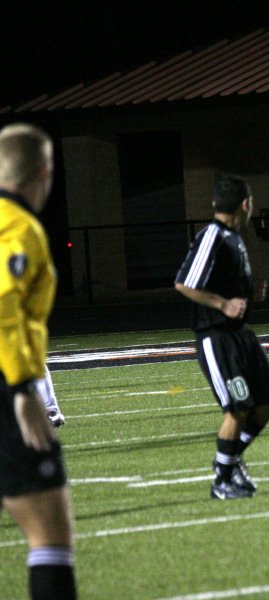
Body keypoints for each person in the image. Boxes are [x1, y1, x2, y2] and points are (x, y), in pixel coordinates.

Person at [0, 123, 77, 599]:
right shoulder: (19, 228)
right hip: (6, 388)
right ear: (45, 173)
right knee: (51, 537)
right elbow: (5, 305)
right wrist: (26, 390)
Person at [175, 175, 269, 500]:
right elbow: (184, 283)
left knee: (267, 401)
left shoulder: (233, 236)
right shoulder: (213, 235)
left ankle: (230, 460)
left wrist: (248, 295)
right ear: (246, 204)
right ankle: (221, 480)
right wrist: (223, 304)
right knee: (237, 409)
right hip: (216, 337)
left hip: (241, 334)